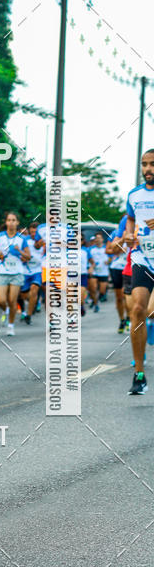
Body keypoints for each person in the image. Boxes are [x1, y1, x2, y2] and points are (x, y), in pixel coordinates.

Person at [124, 149, 154, 394]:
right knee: (137, 309)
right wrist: (128, 233)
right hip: (143, 257)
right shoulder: (134, 194)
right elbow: (131, 219)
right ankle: (139, 373)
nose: (147, 169)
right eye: (144, 164)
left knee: (151, 310)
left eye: (152, 164)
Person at [0, 212, 30, 336]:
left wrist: (19, 250)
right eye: (9, 220)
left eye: (14, 220)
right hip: (3, 271)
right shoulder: (0, 236)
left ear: (17, 222)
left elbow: (28, 256)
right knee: (1, 300)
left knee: (12, 300)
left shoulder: (22, 239)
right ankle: (5, 310)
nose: (11, 222)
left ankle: (11, 325)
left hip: (17, 273)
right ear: (6, 222)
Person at [106, 215, 130, 333]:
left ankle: (129, 318)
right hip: (117, 267)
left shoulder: (138, 229)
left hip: (130, 266)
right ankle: (122, 320)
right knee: (119, 297)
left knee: (127, 295)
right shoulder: (116, 233)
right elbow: (109, 250)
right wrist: (123, 241)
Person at [20, 220, 44, 325]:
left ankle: (29, 315)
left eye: (36, 232)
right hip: (25, 271)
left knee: (34, 289)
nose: (34, 234)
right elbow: (19, 254)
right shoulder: (24, 240)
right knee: (24, 296)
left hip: (37, 271)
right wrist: (22, 258)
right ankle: (33, 302)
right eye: (32, 232)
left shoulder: (44, 242)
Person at [88, 232, 110, 311]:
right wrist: (90, 267)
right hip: (94, 271)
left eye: (99, 238)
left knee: (102, 291)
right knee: (93, 289)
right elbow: (87, 258)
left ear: (102, 239)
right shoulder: (90, 249)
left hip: (104, 272)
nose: (98, 240)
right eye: (96, 238)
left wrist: (109, 261)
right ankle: (96, 304)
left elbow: (113, 256)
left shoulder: (106, 248)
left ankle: (96, 299)